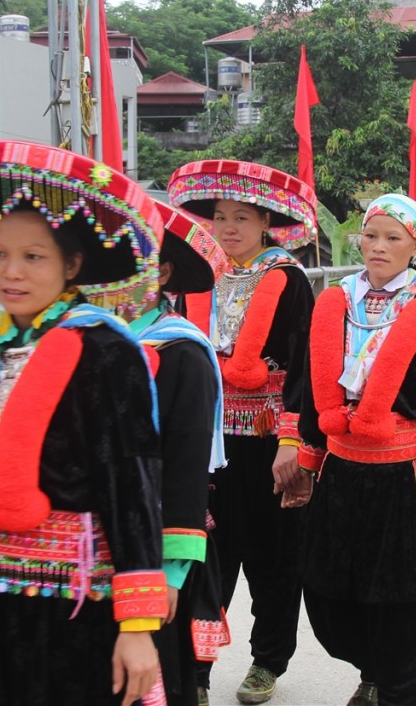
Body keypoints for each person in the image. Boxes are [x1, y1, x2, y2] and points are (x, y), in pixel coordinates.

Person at [0, 140, 167, 705]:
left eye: (33, 257)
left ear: (71, 265)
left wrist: (138, 627)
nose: (11, 272)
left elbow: (133, 484)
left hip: (74, 606)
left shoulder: (106, 351)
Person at [296, 194, 416, 706]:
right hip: (342, 470)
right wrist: (307, 460)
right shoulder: (337, 302)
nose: (378, 247)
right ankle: (373, 667)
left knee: (407, 596)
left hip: (405, 474)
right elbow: (314, 387)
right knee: (328, 593)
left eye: (393, 237)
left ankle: (397, 691)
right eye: (372, 235)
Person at [167, 160, 316, 706]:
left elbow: (304, 366)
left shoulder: (290, 280)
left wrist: (292, 441)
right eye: (221, 217)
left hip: (266, 438)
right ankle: (196, 670)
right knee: (204, 557)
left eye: (242, 217)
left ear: (265, 222)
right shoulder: (197, 279)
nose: (229, 228)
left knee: (275, 559)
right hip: (208, 443)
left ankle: (266, 662)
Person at [128, 202, 229, 706]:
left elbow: (189, 472)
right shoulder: (91, 341)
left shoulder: (179, 351)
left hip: (162, 547)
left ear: (161, 271)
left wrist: (170, 573)